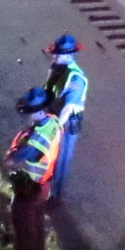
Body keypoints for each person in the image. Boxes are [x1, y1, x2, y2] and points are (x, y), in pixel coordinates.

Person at [5, 88, 63, 250]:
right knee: (37, 230)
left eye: (29, 111)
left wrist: (18, 141)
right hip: (43, 187)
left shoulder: (36, 139)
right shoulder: (54, 123)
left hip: (28, 191)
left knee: (24, 233)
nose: (27, 114)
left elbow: (12, 160)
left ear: (39, 112)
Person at [42, 34, 88, 201]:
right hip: (53, 113)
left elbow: (67, 108)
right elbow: (49, 89)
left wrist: (55, 128)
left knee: (61, 159)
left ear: (68, 55)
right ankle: (44, 185)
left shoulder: (76, 80)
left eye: (58, 53)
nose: (54, 56)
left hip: (67, 123)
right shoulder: (57, 66)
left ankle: (55, 195)